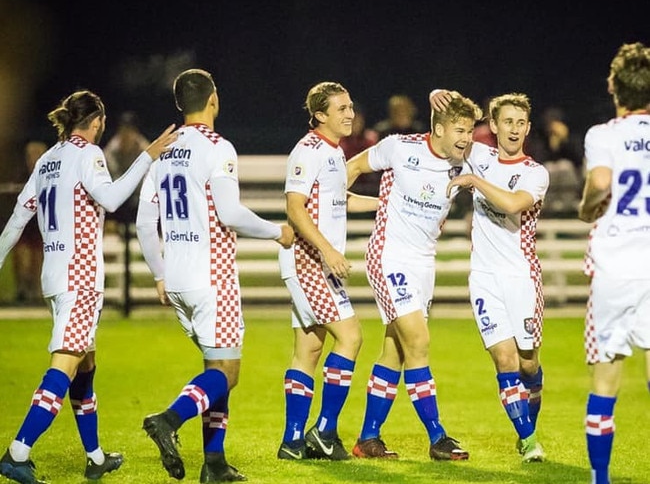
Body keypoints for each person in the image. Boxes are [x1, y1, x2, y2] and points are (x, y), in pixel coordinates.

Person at [0, 90, 177, 484]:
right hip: (79, 278)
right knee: (64, 365)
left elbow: (17, 218)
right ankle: (18, 452)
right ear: (96, 121)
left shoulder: (47, 159)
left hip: (55, 276)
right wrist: (148, 156)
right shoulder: (89, 154)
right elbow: (111, 199)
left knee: (86, 366)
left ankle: (95, 458)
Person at [135, 68, 294, 483]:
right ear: (213, 99)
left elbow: (143, 222)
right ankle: (169, 419)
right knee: (227, 374)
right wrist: (278, 231)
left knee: (215, 372)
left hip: (178, 279)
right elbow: (230, 213)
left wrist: (158, 274)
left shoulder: (163, 151)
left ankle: (215, 464)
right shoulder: (217, 147)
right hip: (213, 276)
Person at [346, 91, 482, 461]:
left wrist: (448, 93)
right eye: (459, 129)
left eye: (470, 130)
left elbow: (502, 138)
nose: (467, 137)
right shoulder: (398, 147)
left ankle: (367, 438)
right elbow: (354, 167)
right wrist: (325, 206)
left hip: (424, 263)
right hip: (390, 257)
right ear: (438, 128)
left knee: (396, 349)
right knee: (418, 342)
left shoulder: (463, 158)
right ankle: (438, 437)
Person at [431, 90, 549, 463]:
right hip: (484, 277)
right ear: (493, 126)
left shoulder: (535, 172)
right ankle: (528, 440)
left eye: (520, 122)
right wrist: (437, 98)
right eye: (507, 122)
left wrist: (475, 183)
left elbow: (513, 204)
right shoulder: (479, 155)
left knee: (528, 362)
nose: (514, 129)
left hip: (521, 277)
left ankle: (527, 425)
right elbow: (447, 137)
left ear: (528, 128)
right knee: (505, 360)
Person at [277, 82, 377, 461]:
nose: (350, 114)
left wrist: (387, 204)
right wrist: (329, 250)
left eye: (351, 106)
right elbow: (295, 207)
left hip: (316, 262)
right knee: (350, 337)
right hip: (309, 261)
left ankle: (292, 442)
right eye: (341, 108)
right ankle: (324, 431)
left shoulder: (334, 152)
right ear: (320, 115)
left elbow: (341, 200)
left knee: (309, 348)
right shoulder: (309, 150)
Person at [577, 41, 650, 484]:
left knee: (605, 383)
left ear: (613, 87)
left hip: (617, 266)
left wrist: (588, 209)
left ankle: (600, 478)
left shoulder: (603, 135)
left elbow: (601, 181)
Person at [12, 140, 47, 304]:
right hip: (26, 228)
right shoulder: (20, 178)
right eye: (30, 156)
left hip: (44, 228)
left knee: (40, 259)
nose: (33, 159)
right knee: (22, 256)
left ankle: (39, 295)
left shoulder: (51, 176)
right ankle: (22, 291)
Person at [340, 104, 380, 197]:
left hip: (372, 190)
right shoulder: (338, 142)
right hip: (345, 188)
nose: (355, 123)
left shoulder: (372, 139)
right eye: (352, 121)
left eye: (358, 120)